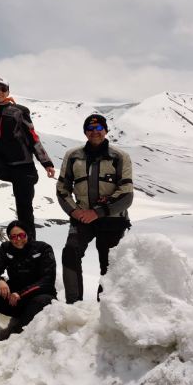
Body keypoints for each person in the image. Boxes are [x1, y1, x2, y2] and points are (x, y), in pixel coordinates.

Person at [56, 114, 134, 303]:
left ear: (106, 131)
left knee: (109, 264)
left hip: (112, 219)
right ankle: (74, 306)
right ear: (85, 132)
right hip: (81, 217)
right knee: (70, 253)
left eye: (99, 129)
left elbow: (127, 194)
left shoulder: (120, 157)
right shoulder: (73, 156)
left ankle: (105, 308)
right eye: (90, 129)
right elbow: (62, 189)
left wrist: (98, 212)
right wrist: (75, 212)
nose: (95, 133)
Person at [0, 77, 56, 238]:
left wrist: (47, 163)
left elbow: (33, 138)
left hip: (23, 166)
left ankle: (30, 246)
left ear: (8, 92)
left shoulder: (19, 111)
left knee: (24, 208)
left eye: (3, 89)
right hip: (1, 164)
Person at [0, 220, 56, 346]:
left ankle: (17, 336)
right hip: (14, 301)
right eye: (13, 236)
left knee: (43, 300)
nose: (17, 240)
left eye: (21, 235)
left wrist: (21, 294)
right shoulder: (7, 248)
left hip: (36, 299)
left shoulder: (43, 249)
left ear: (27, 234)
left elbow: (47, 280)